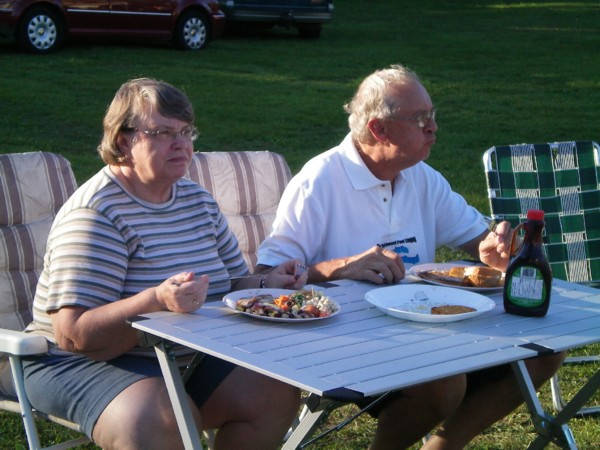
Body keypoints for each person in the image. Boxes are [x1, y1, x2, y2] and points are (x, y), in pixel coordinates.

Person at [256, 64, 565, 449]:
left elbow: (482, 245)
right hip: (345, 340)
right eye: (420, 119)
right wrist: (343, 267)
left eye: (432, 115)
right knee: (444, 380)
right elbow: (269, 275)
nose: (433, 127)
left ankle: (444, 445)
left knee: (545, 352)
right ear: (378, 129)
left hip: (426, 333)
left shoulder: (421, 176)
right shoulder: (319, 181)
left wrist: (497, 251)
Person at [22, 78, 304, 450]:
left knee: (274, 390)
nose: (182, 144)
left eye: (186, 132)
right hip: (74, 362)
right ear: (124, 141)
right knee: (160, 419)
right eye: (163, 133)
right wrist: (155, 300)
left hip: (179, 353)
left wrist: (266, 285)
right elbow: (74, 335)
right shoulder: (97, 212)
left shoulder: (196, 199)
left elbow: (232, 283)